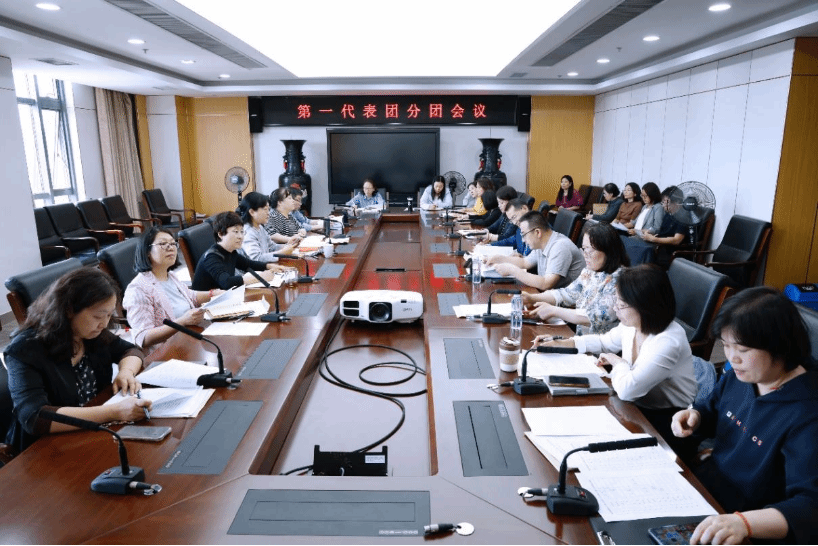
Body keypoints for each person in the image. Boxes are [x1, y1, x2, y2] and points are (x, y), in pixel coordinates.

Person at [671, 287, 818, 545]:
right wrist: (695, 416)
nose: (732, 358)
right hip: (708, 491)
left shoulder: (808, 412)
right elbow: (711, 411)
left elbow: (809, 506)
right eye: (726, 345)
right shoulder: (741, 377)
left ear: (780, 346)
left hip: (751, 522)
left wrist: (744, 523)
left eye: (743, 349)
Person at [536, 264, 697, 459]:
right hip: (633, 408)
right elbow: (604, 342)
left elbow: (629, 390)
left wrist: (618, 363)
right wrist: (563, 343)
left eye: (621, 304)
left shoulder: (668, 341)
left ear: (644, 307)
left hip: (666, 423)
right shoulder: (633, 324)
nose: (615, 308)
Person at [4, 268, 151, 452]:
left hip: (92, 433)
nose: (104, 324)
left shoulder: (91, 334)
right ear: (69, 310)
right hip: (45, 448)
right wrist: (115, 412)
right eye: (98, 316)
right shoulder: (24, 349)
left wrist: (126, 372)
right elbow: (35, 417)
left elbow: (131, 350)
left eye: (108, 315)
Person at [123, 227, 220, 350]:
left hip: (188, 340)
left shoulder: (170, 276)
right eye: (163, 244)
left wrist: (214, 294)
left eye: (173, 243)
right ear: (147, 251)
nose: (171, 247)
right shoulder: (138, 289)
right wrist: (182, 322)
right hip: (166, 351)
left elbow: (190, 296)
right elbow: (143, 337)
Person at [524, 223, 628, 335]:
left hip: (601, 344)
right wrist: (531, 298)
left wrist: (555, 311)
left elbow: (600, 315)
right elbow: (567, 294)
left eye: (590, 250)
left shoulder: (620, 280)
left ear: (608, 250)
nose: (585, 254)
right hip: (581, 339)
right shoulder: (590, 271)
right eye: (584, 249)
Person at [487, 211, 585, 290]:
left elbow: (546, 284)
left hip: (566, 303)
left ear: (537, 232)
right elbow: (525, 262)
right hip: (548, 295)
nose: (523, 240)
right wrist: (498, 258)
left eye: (524, 234)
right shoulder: (541, 243)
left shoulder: (560, 247)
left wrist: (512, 270)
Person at [192, 211, 284, 291]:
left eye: (242, 232)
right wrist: (260, 277)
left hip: (225, 296)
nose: (240, 237)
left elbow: (248, 264)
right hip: (208, 302)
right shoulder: (211, 257)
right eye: (236, 232)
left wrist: (270, 266)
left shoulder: (230, 251)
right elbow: (227, 282)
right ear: (220, 234)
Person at [624, 186, 688, 267]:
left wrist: (654, 239)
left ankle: (636, 272)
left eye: (666, 202)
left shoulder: (683, 217)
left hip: (667, 250)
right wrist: (647, 232)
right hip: (658, 244)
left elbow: (677, 240)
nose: (663, 205)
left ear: (677, 202)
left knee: (638, 249)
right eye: (663, 202)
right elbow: (660, 231)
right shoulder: (669, 214)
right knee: (628, 243)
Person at [238, 192, 297, 262]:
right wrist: (282, 253)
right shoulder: (247, 232)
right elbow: (256, 258)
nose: (268, 213)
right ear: (252, 212)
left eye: (268, 209)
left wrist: (289, 245)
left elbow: (272, 247)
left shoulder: (260, 227)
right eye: (265, 209)